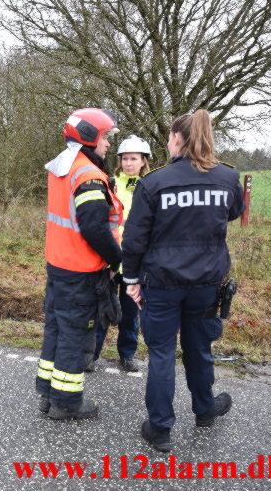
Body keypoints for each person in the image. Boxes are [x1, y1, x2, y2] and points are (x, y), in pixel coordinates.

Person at [122, 110, 245, 452]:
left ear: (178, 139)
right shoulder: (227, 178)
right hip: (206, 282)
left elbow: (134, 239)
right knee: (199, 348)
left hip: (161, 282)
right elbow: (233, 212)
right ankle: (204, 409)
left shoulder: (154, 183)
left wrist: (131, 279)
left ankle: (160, 428)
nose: (167, 143)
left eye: (169, 137)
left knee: (161, 353)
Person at [36, 108, 124, 420]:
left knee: (56, 330)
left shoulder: (63, 165)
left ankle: (48, 394)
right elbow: (94, 228)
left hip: (58, 264)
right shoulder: (87, 175)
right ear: (90, 137)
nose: (108, 145)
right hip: (80, 270)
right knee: (75, 335)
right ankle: (67, 403)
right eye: (106, 138)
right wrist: (117, 259)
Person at [92, 135, 151, 372]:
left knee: (130, 314)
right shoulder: (110, 183)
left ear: (143, 161)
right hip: (111, 259)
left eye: (133, 159)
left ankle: (127, 355)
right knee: (102, 310)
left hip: (136, 263)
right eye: (125, 158)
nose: (128, 163)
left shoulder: (151, 186)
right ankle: (92, 355)